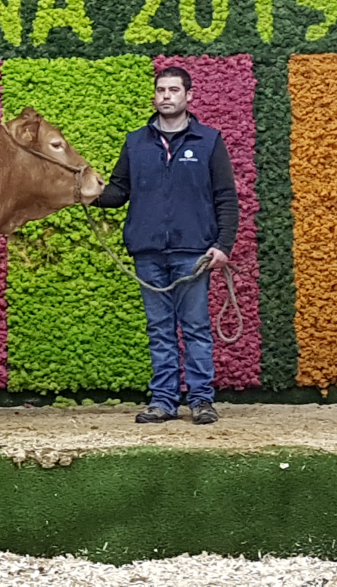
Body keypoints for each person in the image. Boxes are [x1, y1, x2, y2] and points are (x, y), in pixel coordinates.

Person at [95, 66, 239, 425]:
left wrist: (223, 245)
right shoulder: (135, 143)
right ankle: (163, 401)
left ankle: (202, 400)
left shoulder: (208, 141)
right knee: (159, 329)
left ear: (188, 96)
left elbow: (226, 198)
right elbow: (118, 192)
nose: (166, 96)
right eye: (161, 90)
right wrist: (85, 193)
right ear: (154, 96)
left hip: (194, 252)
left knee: (195, 327)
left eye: (174, 90)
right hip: (148, 251)